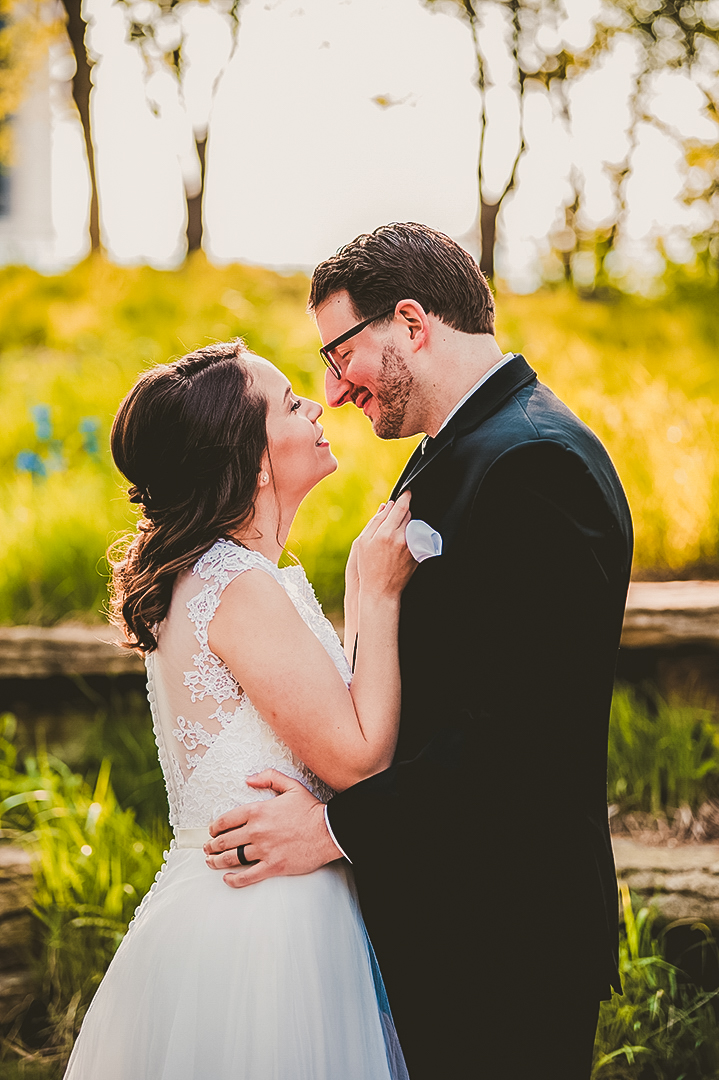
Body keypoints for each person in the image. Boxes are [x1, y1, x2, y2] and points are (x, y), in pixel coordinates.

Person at [203, 222, 634, 1079]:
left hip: (508, 934)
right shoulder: (466, 447)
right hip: (450, 914)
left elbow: (521, 745)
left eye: (339, 353)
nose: (330, 390)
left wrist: (327, 828)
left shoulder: (533, 464)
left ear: (409, 320)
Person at [63, 340, 416, 1080]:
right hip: (264, 933)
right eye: (290, 403)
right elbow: (357, 760)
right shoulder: (235, 583)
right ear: (254, 461)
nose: (317, 405)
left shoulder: (228, 574)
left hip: (251, 907)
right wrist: (375, 594)